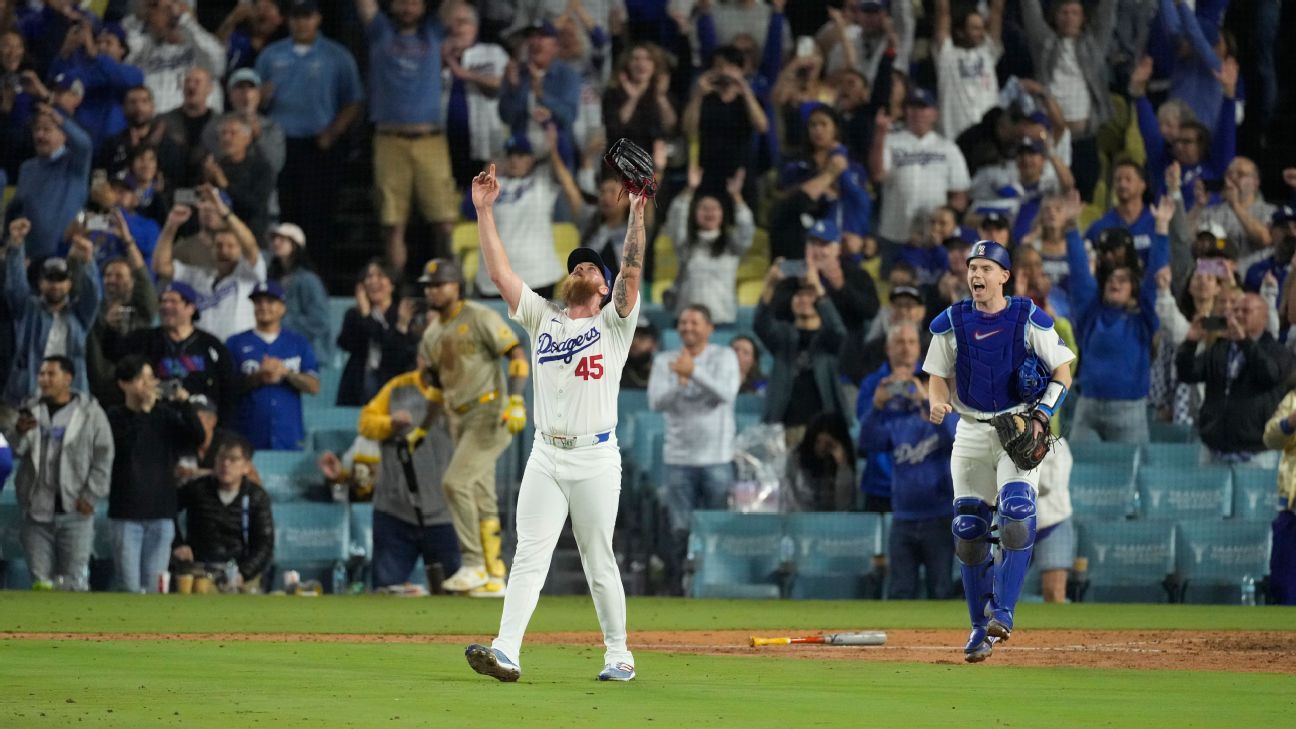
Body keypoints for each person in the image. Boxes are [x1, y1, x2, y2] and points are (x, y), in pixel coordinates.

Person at [464, 162, 646, 683]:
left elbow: (631, 271)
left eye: (591, 267)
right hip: (546, 454)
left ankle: (619, 654)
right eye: (577, 266)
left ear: (606, 286)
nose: (583, 269)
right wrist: (483, 211)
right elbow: (499, 274)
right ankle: (507, 651)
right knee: (528, 556)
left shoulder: (615, 323)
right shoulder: (544, 315)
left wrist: (636, 212)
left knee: (598, 559)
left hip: (594, 456)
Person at [923, 240, 1075, 662]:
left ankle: (1003, 612)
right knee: (969, 531)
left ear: (1004, 276)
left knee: (1017, 513)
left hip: (1018, 426)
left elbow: (1062, 372)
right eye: (973, 267)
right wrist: (937, 401)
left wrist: (1043, 417)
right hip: (970, 430)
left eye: (987, 268)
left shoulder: (1028, 316)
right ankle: (978, 629)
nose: (977, 275)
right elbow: (936, 373)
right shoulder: (951, 321)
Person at [416, 257, 529, 597]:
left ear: (457, 286)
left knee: (455, 482)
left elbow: (516, 354)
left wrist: (516, 399)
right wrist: (423, 428)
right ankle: (495, 575)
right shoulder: (432, 334)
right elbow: (437, 389)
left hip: (490, 410)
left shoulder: (480, 317)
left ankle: (473, 562)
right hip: (457, 417)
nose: (433, 290)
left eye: (440, 284)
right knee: (481, 495)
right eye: (429, 286)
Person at [255, 0, 363, 275]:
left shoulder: (336, 55)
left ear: (318, 19)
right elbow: (253, 97)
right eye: (295, 16)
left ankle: (317, 276)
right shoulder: (271, 55)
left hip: (319, 145)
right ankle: (283, 274)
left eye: (307, 16)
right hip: (280, 145)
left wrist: (332, 132)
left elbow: (353, 100)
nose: (301, 22)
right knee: (284, 213)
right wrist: (261, 99)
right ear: (288, 20)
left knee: (318, 215)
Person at [356, 0, 457, 270]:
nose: (407, 7)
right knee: (392, 224)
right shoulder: (380, 31)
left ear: (425, 7)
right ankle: (396, 288)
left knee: (444, 222)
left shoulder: (434, 32)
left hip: (431, 140)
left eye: (414, 3)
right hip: (389, 140)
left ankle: (448, 285)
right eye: (401, 2)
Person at [858, 323, 956, 599]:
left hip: (938, 514)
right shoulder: (890, 407)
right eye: (899, 342)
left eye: (912, 342)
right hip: (903, 516)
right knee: (901, 591)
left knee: (940, 591)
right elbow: (866, 443)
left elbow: (954, 438)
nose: (906, 348)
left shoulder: (938, 390)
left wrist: (927, 400)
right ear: (888, 349)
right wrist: (877, 406)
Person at [648, 304, 740, 594]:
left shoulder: (724, 357)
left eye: (695, 322)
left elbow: (727, 393)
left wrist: (694, 372)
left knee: (717, 526)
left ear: (710, 328)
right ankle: (679, 588)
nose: (688, 327)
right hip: (678, 457)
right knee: (679, 530)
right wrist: (680, 382)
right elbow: (655, 402)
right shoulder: (665, 360)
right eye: (683, 322)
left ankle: (715, 584)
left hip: (717, 457)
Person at [1067, 194, 1172, 443]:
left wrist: (1161, 228)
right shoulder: (1090, 315)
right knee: (1078, 477)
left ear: (1133, 289)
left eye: (1123, 280)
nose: (1115, 282)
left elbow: (1154, 281)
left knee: (1131, 480)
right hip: (1088, 408)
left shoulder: (1143, 319)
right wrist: (1072, 228)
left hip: (1129, 412)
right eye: (1111, 280)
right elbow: (1080, 274)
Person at [10, 355, 114, 590]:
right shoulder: (31, 409)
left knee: (74, 581)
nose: (44, 379)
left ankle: (74, 626)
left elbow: (103, 456)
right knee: (40, 582)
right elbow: (17, 450)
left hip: (75, 510)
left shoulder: (90, 413)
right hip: (36, 510)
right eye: (41, 374)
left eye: (51, 374)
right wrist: (18, 432)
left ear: (68, 378)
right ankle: (45, 627)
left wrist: (91, 495)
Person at [357, 366, 461, 591]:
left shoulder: (460, 389)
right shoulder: (398, 387)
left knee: (454, 594)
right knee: (387, 590)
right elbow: (365, 423)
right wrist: (390, 423)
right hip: (395, 513)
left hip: (445, 515)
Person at [106, 355, 205, 593]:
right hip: (126, 513)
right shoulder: (114, 416)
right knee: (128, 586)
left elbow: (196, 438)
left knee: (155, 587)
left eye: (151, 378)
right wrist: (144, 412)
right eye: (141, 379)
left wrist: (184, 404)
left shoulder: (164, 414)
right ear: (124, 383)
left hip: (161, 512)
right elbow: (127, 446)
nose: (148, 384)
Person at [106, 281, 240, 433]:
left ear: (191, 308)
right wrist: (111, 329)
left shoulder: (212, 346)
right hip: (156, 425)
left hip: (199, 425)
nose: (166, 306)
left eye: (173, 301)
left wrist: (221, 429)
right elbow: (115, 356)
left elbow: (228, 390)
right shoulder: (144, 339)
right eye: (163, 301)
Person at [1177, 293, 1294, 466]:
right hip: (1214, 450)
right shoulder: (1219, 348)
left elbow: (1269, 375)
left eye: (1245, 311)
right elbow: (1187, 374)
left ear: (1264, 317)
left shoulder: (1279, 352)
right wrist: (1190, 343)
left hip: (1257, 455)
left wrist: (1244, 342)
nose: (1238, 315)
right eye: (1235, 311)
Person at [3, 219, 101, 407]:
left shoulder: (79, 316)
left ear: (69, 284)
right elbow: (15, 286)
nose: (55, 285)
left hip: (71, 396)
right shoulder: (28, 309)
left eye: (61, 279)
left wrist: (88, 260)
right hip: (28, 395)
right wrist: (16, 243)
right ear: (40, 283)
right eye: (50, 279)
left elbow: (93, 295)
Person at [754, 255, 847, 447]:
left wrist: (818, 287)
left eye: (809, 295)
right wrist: (770, 284)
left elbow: (838, 330)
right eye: (799, 295)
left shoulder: (826, 340)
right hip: (785, 427)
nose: (804, 300)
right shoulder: (782, 336)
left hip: (823, 428)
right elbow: (760, 323)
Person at [152, 187, 266, 343]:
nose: (224, 250)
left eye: (231, 246)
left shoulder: (249, 275)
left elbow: (251, 246)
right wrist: (171, 225)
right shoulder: (199, 276)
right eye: (219, 246)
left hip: (238, 350)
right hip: (203, 350)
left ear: (240, 250)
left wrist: (224, 212)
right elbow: (161, 266)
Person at [870, 89, 970, 248]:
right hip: (895, 233)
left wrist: (946, 226)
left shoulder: (947, 148)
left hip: (935, 238)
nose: (917, 113)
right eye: (913, 108)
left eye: (923, 108)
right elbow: (878, 174)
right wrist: (880, 134)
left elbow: (959, 195)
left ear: (935, 113)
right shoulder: (890, 141)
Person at [173, 434, 274, 593]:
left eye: (233, 459)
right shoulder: (197, 489)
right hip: (201, 571)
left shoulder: (257, 496)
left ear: (246, 466)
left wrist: (244, 573)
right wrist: (178, 544)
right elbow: (166, 511)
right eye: (221, 458)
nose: (225, 464)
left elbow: (264, 543)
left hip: (241, 572)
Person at [226, 281, 320, 451]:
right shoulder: (235, 343)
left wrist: (286, 373)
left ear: (283, 308)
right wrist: (258, 377)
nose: (263, 306)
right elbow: (227, 389)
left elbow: (314, 386)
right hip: (247, 433)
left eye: (270, 301)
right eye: (258, 302)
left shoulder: (298, 342)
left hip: (288, 432)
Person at [664, 163, 754, 326]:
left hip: (721, 321)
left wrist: (737, 198)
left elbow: (746, 229)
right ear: (695, 214)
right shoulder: (686, 245)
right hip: (687, 322)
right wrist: (689, 190)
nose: (709, 212)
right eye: (704, 208)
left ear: (723, 215)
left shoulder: (732, 246)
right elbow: (676, 219)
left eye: (715, 209)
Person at [5, 104, 92, 261]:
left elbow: (84, 144)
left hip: (67, 255)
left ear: (64, 135)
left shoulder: (74, 163)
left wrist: (60, 120)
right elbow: (16, 209)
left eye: (47, 130)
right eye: (37, 130)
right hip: (31, 257)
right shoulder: (27, 168)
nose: (40, 135)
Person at [335, 260, 418, 406]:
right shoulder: (354, 314)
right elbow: (345, 343)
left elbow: (395, 352)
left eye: (380, 276)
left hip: (391, 385)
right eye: (368, 277)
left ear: (392, 284)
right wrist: (365, 314)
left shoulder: (402, 314)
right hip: (358, 384)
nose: (373, 281)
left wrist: (368, 317)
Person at [85, 244, 158, 408]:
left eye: (119, 276)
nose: (111, 280)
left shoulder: (142, 310)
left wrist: (127, 241)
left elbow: (144, 281)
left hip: (135, 389)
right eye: (108, 275)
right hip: (100, 388)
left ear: (132, 282)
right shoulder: (93, 311)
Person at [123, 0, 226, 114]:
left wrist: (185, 21)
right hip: (153, 127)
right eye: (163, 11)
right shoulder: (144, 47)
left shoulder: (200, 49)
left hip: (197, 127)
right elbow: (122, 60)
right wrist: (138, 19)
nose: (170, 16)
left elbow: (218, 64)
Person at [932, 0, 1003, 141]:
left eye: (982, 28)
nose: (981, 33)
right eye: (975, 28)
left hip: (987, 141)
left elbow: (996, 12)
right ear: (960, 32)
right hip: (954, 137)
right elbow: (942, 14)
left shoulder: (988, 53)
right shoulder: (947, 56)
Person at [266, 222, 331, 363]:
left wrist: (282, 323)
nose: (276, 243)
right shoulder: (272, 279)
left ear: (295, 245)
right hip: (279, 352)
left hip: (304, 354)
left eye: (282, 239)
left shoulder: (308, 280)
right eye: (275, 239)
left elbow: (320, 321)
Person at [1261, 376, 1296, 605]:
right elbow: (1269, 438)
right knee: (1284, 585)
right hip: (1292, 508)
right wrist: (1290, 423)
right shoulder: (1293, 400)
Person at [785, 412, 856, 511]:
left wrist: (842, 465)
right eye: (818, 442)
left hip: (833, 520)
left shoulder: (842, 464)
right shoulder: (796, 459)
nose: (821, 448)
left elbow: (844, 504)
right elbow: (792, 496)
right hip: (803, 517)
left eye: (828, 444)